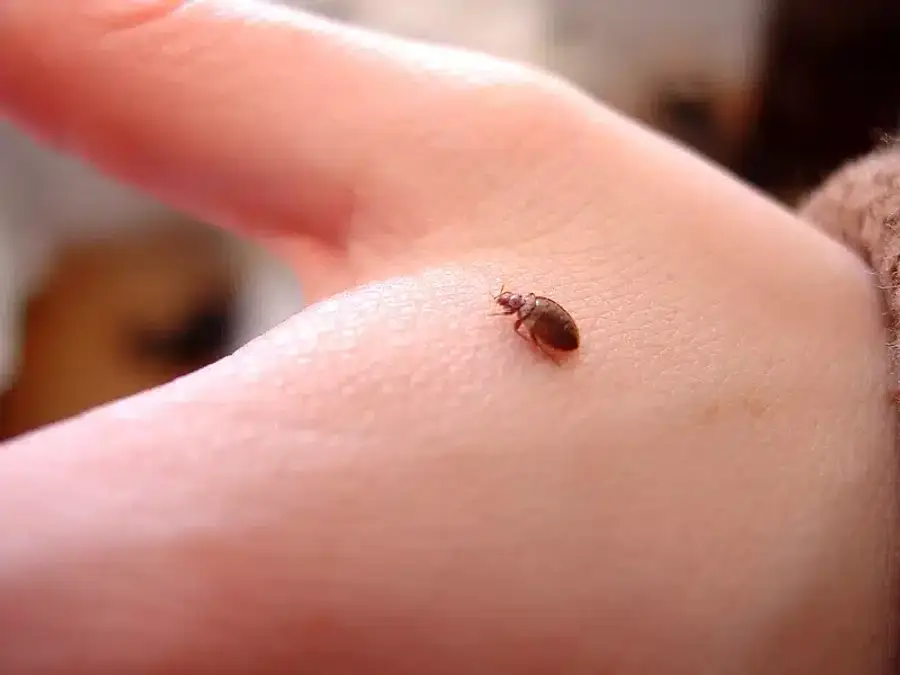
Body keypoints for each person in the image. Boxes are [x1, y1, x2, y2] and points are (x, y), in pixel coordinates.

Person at [0, 1, 895, 672]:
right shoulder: (533, 312)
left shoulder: (541, 317)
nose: (515, 315)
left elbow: (558, 334)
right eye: (520, 311)